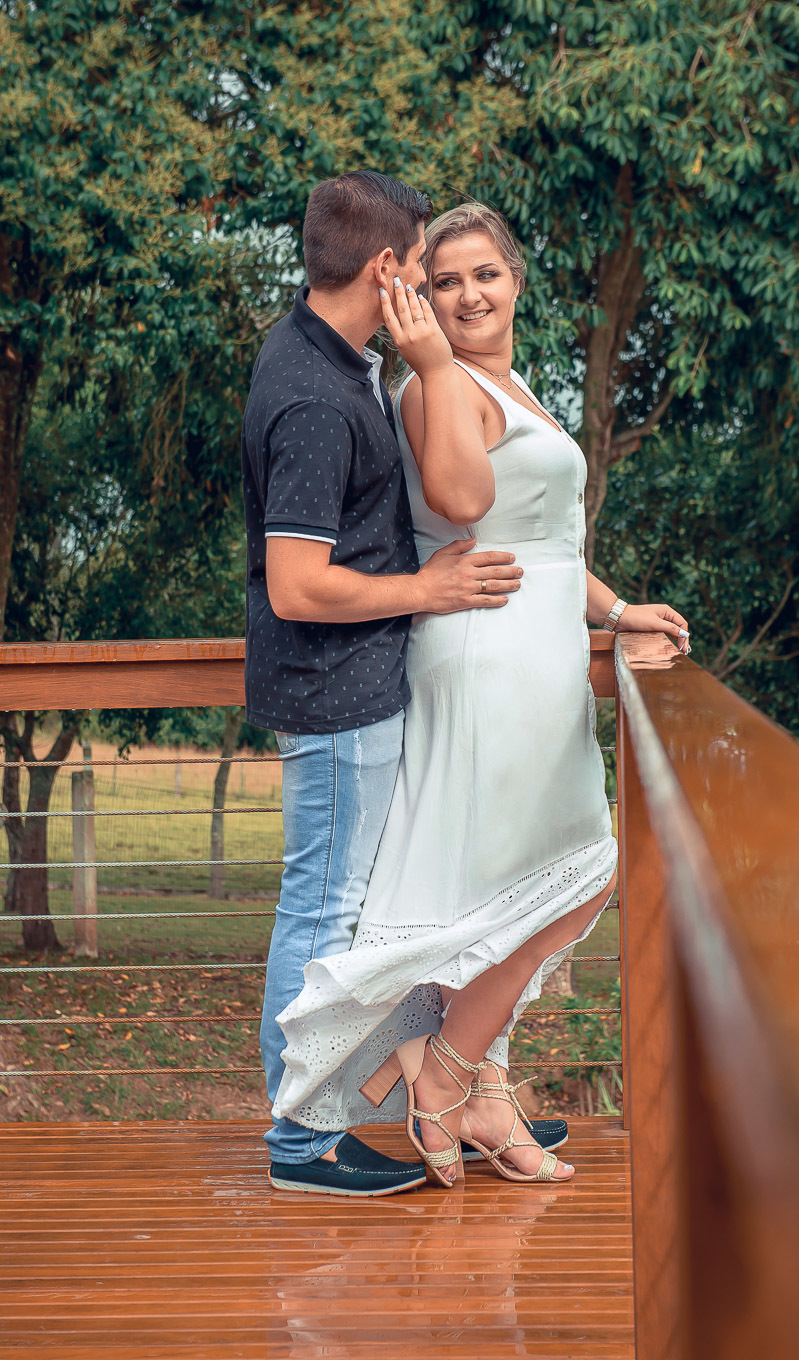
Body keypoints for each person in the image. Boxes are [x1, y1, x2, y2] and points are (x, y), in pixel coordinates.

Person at [272, 203, 691, 1185]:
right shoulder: (436, 385)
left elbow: (545, 538)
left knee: (513, 881)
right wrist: (432, 369)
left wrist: (618, 610)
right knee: (576, 869)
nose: (465, 294)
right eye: (444, 279)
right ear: (418, 292)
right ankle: (443, 1072)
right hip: (483, 651)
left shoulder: (508, 381)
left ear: (515, 279)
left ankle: (483, 1101)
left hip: (539, 646)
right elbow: (462, 507)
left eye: (482, 275)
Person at [242, 174, 528, 1197]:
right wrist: (431, 586)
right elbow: (296, 584)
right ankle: (299, 1144)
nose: (430, 280)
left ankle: (417, 1101)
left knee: (368, 919)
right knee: (321, 919)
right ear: (384, 268)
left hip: (357, 690)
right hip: (332, 698)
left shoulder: (332, 358)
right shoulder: (316, 399)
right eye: (417, 260)